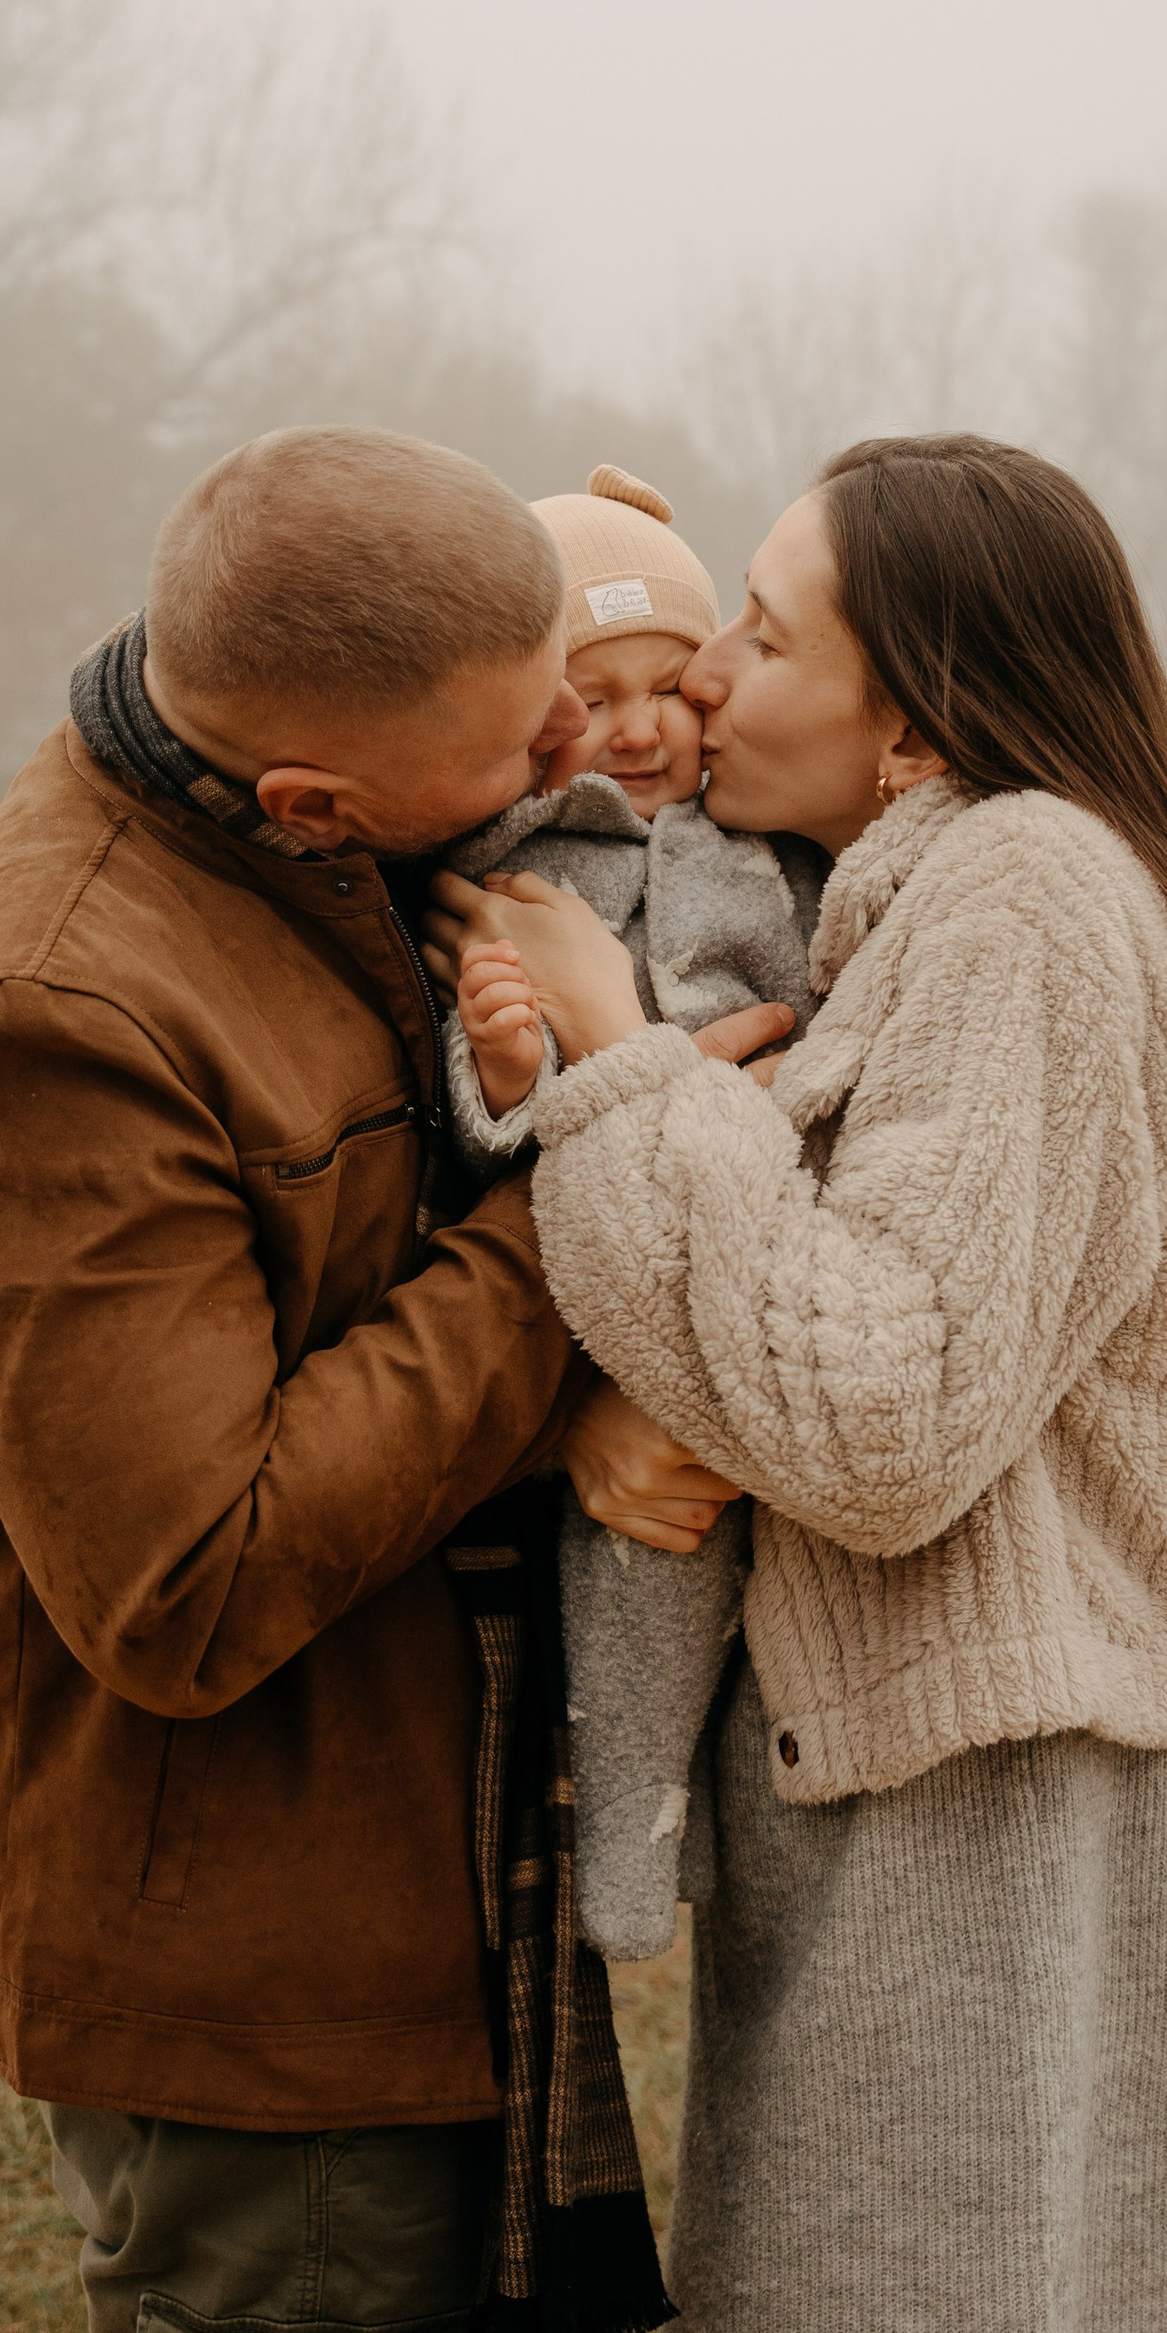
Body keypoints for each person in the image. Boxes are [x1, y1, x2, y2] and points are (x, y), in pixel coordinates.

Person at [425, 432, 1167, 2333]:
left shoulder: (1027, 899)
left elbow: (879, 1411)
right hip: (920, 1815)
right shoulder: (923, 896)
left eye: (757, 627)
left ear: (919, 710)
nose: (707, 675)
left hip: (966, 1843)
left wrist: (629, 1076)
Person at [0, 424, 731, 2333]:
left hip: (367, 1896)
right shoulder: (44, 1024)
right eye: (526, 731)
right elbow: (189, 1579)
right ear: (315, 794)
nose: (579, 751)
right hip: (234, 1951)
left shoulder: (315, 846)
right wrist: (579, 1211)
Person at [433, 460, 817, 1959]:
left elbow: (818, 1008)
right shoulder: (514, 872)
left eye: (675, 682)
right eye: (597, 694)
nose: (644, 726)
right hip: (585, 1275)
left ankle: (696, 1830)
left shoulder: (758, 841)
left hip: (744, 1235)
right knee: (632, 1573)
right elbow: (479, 1113)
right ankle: (624, 1860)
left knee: (725, 1568)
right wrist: (511, 1065)